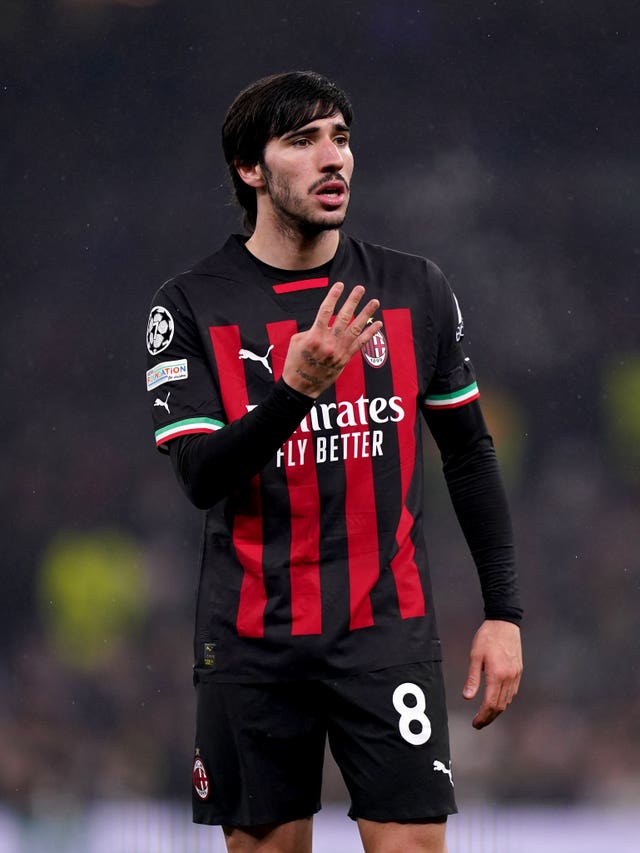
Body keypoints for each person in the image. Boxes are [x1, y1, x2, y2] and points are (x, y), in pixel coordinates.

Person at [145, 70, 523, 853]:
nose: (333, 159)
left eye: (341, 138)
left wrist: (504, 612)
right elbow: (201, 476)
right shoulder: (188, 306)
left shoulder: (414, 287)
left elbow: (469, 453)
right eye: (303, 140)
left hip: (384, 629)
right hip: (254, 639)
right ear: (251, 169)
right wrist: (292, 393)